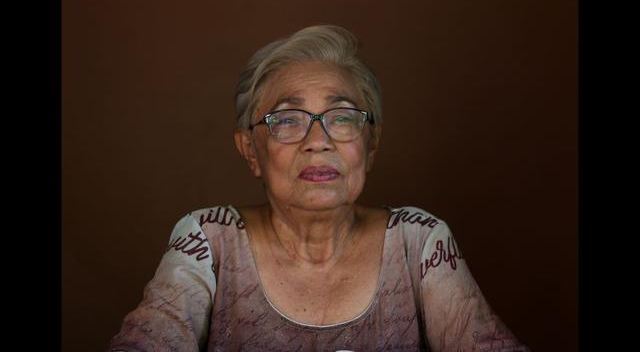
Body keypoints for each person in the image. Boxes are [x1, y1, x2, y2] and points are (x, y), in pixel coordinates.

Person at [108, 25, 529, 351]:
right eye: (287, 120)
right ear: (251, 149)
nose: (318, 140)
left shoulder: (418, 241)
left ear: (371, 143)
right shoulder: (208, 239)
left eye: (342, 117)